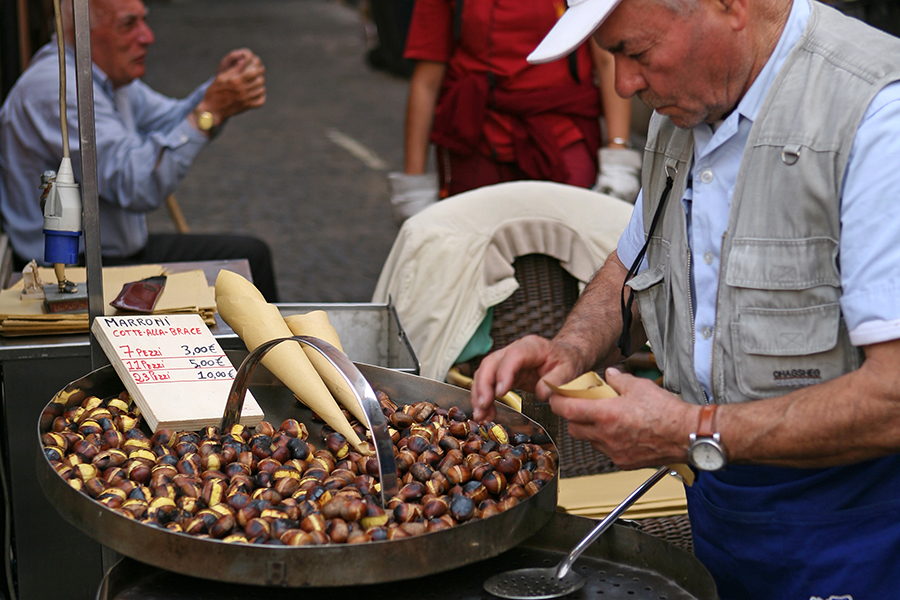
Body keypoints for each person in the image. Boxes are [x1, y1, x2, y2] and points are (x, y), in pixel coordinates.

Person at [470, 0, 900, 598]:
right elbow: (635, 263)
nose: (624, 84)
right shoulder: (687, 107)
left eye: (636, 53)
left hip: (859, 529)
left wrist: (691, 430)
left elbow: (894, 396)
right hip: (719, 508)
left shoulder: (878, 116)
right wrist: (568, 349)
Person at [0, 0, 279, 301]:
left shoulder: (106, 77)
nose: (148, 36)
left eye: (143, 21)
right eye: (128, 25)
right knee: (250, 258)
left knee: (249, 257)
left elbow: (172, 118)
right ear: (82, 31)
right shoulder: (56, 85)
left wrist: (218, 89)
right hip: (71, 274)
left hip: (118, 255)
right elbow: (137, 184)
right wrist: (209, 111)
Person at [388, 0, 642, 222]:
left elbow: (608, 60)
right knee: (473, 253)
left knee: (578, 245)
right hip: (479, 136)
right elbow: (427, 80)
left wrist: (617, 153)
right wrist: (413, 184)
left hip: (562, 133)